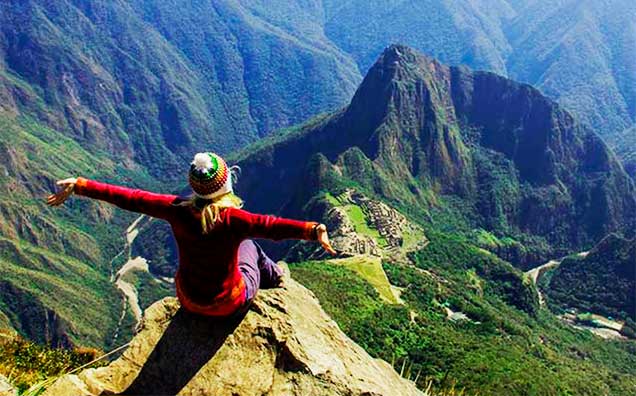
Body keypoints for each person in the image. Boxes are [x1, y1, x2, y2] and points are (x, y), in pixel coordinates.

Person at [47, 152, 336, 317]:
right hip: (226, 304)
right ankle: (276, 279)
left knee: (245, 243)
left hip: (187, 298)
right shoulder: (233, 219)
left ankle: (273, 277)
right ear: (226, 186)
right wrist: (314, 230)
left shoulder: (176, 209)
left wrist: (81, 185)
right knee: (249, 244)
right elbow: (271, 226)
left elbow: (130, 198)